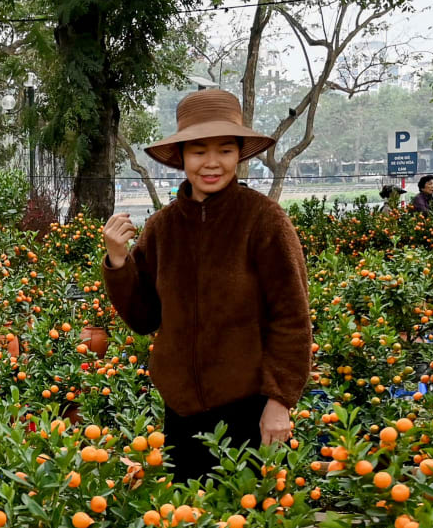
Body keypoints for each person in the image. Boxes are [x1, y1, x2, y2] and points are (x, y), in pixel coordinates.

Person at [100, 87, 313, 484]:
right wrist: (117, 260)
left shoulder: (264, 221)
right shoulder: (162, 228)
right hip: (180, 409)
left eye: (225, 150)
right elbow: (144, 317)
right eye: (199, 151)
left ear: (239, 154)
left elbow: (292, 318)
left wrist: (280, 401)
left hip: (248, 408)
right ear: (182, 157)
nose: (212, 163)